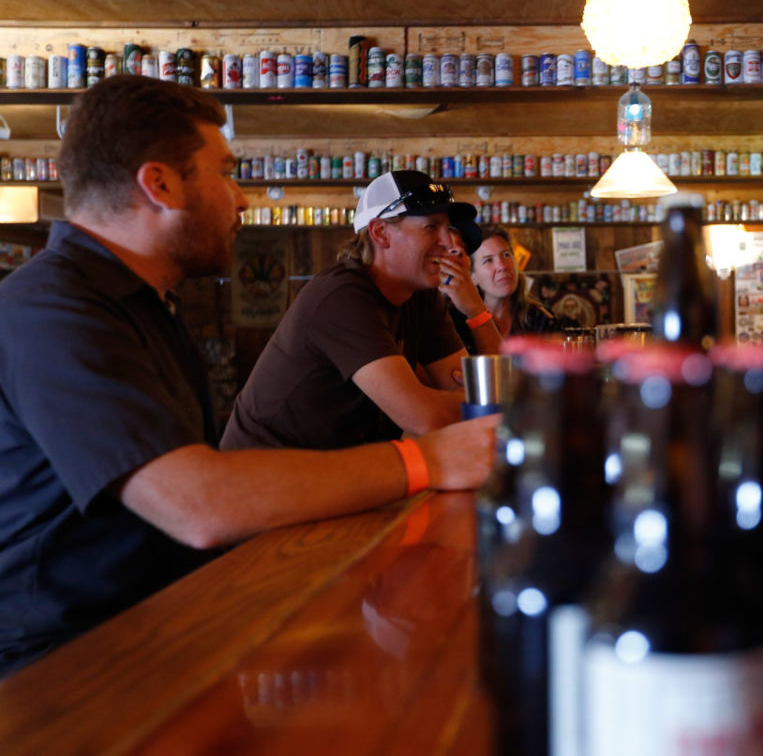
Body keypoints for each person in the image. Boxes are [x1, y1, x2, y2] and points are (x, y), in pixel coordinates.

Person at [0, 76, 497, 677]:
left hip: (160, 625)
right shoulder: (52, 308)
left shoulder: (140, 302)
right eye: (227, 173)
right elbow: (196, 502)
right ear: (158, 184)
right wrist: (429, 461)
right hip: (61, 668)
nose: (243, 200)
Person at [221, 170, 504, 450]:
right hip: (260, 474)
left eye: (448, 228)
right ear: (381, 233)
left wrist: (475, 308)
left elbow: (481, 386)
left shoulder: (420, 295)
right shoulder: (342, 297)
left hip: (330, 469)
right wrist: (489, 397)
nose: (449, 241)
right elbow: (425, 415)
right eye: (431, 227)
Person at [449, 223, 558, 354]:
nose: (502, 266)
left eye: (506, 255)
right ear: (473, 276)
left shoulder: (539, 319)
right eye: (488, 260)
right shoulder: (455, 322)